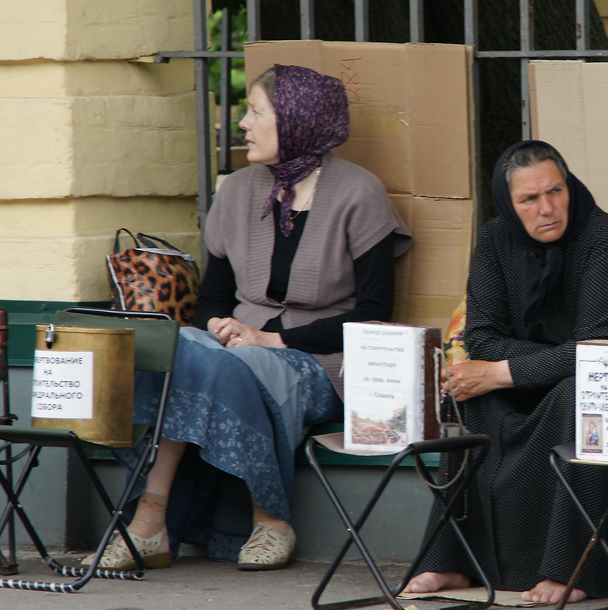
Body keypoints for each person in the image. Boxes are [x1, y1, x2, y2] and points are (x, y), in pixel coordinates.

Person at [85, 64, 411, 572]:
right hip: (236, 348)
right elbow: (212, 297)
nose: (243, 123)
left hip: (320, 360)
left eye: (256, 112)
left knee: (221, 366)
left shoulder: (359, 193)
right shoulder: (237, 190)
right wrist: (221, 326)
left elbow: (374, 314)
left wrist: (272, 339)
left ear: (298, 120)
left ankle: (258, 518)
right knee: (184, 351)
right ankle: (153, 521)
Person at [404, 140, 608, 603]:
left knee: (580, 392)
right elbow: (482, 337)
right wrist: (519, 367)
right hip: (556, 365)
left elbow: (599, 350)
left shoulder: (603, 237)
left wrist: (509, 370)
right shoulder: (494, 240)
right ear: (508, 205)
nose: (547, 208)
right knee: (471, 392)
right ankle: (453, 561)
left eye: (556, 191)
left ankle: (576, 568)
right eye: (529, 199)